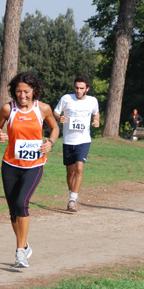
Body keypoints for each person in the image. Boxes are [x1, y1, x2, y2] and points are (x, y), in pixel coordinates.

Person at [0, 72, 59, 268]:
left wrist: (51, 143)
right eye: (19, 91)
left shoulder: (43, 109)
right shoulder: (8, 109)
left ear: (34, 91)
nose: (22, 96)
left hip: (34, 166)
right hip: (10, 165)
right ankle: (25, 245)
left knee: (22, 203)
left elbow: (54, 128)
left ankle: (20, 252)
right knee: (13, 211)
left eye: (26, 92)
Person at [53, 75, 100, 212]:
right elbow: (55, 112)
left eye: (81, 88)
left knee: (79, 169)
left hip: (84, 140)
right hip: (68, 141)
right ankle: (71, 193)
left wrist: (96, 121)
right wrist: (59, 117)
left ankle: (73, 199)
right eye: (76, 88)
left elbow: (96, 114)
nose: (78, 90)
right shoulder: (66, 98)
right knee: (70, 172)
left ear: (87, 89)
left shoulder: (92, 101)